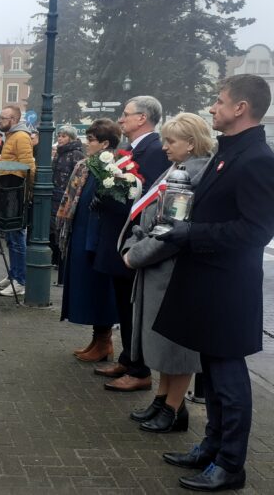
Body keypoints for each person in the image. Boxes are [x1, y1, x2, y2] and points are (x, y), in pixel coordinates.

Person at [155, 75, 274, 492]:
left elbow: (256, 230)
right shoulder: (230, 152)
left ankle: (230, 464)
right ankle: (211, 447)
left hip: (229, 288)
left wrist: (192, 234)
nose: (212, 108)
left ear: (241, 108)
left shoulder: (257, 159)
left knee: (228, 379)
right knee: (212, 373)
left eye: (219, 102)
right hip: (210, 282)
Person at [118, 113, 213, 435]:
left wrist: (136, 255)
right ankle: (162, 399)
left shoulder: (194, 174)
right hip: (157, 269)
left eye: (171, 141)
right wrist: (133, 243)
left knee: (175, 346)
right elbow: (150, 216)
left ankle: (174, 408)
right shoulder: (178, 168)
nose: (165, 147)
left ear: (191, 143)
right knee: (160, 342)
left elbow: (172, 230)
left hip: (172, 272)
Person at [97, 96, 170, 391]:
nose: (121, 119)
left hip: (133, 238)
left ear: (142, 118)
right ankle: (128, 358)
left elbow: (149, 198)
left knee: (132, 307)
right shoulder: (130, 149)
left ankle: (139, 369)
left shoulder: (154, 150)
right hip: (119, 235)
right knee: (122, 303)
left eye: (126, 114)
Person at [56, 119, 121, 355]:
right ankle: (97, 339)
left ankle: (104, 341)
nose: (87, 143)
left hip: (96, 235)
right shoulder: (85, 165)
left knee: (98, 287)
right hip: (81, 230)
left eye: (92, 139)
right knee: (86, 285)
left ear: (105, 144)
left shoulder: (113, 167)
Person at [0, 105, 36, 297]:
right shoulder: (11, 136)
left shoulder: (21, 137)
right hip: (8, 190)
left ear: (14, 120)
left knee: (17, 237)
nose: (0, 121)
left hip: (15, 191)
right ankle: (14, 275)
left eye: (3, 118)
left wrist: (29, 191)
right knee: (10, 237)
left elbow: (28, 165)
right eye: (0, 118)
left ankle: (20, 281)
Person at [51, 125, 85, 284]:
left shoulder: (76, 154)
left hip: (66, 196)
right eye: (59, 135)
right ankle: (56, 259)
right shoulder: (59, 152)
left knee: (61, 229)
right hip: (55, 194)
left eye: (63, 136)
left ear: (71, 138)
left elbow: (77, 178)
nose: (60, 138)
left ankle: (61, 262)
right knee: (54, 227)